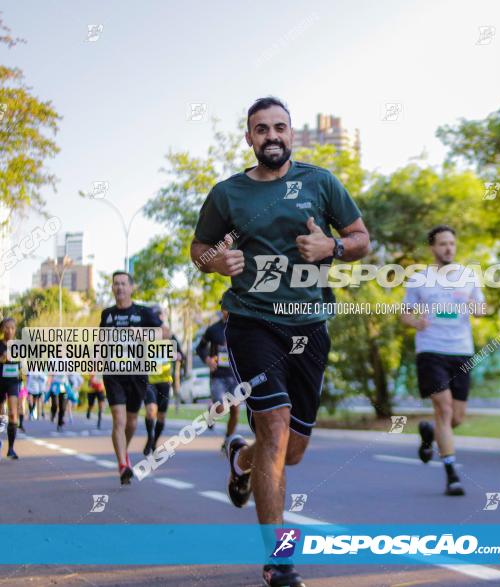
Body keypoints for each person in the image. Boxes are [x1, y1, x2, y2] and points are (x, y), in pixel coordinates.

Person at [192, 96, 370, 587]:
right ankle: (278, 560)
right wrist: (216, 261)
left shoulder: (321, 183)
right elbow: (200, 249)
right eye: (261, 129)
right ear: (249, 139)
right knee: (273, 424)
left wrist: (331, 246)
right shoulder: (228, 194)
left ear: (292, 135)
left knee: (290, 450)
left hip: (309, 326)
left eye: (280, 127)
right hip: (252, 322)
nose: (272, 136)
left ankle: (241, 459)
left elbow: (360, 238)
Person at [400, 225, 486, 496]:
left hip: (461, 351)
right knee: (445, 410)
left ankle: (428, 433)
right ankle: (451, 474)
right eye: (442, 244)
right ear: (432, 248)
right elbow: (404, 313)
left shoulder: (468, 276)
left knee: (456, 418)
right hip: (431, 351)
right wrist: (416, 322)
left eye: (451, 243)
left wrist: (476, 307)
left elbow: (482, 309)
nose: (448, 248)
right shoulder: (419, 280)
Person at [100, 271, 163, 484]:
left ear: (131, 288)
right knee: (119, 419)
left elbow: (164, 333)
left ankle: (123, 453)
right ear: (112, 288)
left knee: (132, 422)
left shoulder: (143, 312)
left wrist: (143, 335)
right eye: (116, 284)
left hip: (137, 373)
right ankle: (123, 465)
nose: (119, 288)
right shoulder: (106, 314)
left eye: (123, 284)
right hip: (113, 374)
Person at [197, 310, 241, 454]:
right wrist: (207, 360)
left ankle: (227, 440)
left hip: (235, 376)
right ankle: (212, 412)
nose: (228, 311)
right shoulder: (213, 329)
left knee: (235, 410)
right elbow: (200, 348)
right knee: (222, 408)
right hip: (218, 376)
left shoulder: (241, 327)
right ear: (222, 309)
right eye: (225, 307)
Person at [0, 318, 24, 461]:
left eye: (12, 328)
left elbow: (24, 365)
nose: (10, 330)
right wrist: (0, 359)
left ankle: (11, 449)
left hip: (13, 382)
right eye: (6, 327)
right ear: (2, 329)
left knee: (13, 414)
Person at [144, 323, 179, 456]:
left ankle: (154, 441)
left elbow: (180, 355)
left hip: (164, 383)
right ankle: (149, 438)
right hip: (150, 383)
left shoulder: (171, 344)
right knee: (151, 410)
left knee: (161, 417)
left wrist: (178, 356)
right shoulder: (148, 343)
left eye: (166, 330)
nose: (164, 332)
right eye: (161, 330)